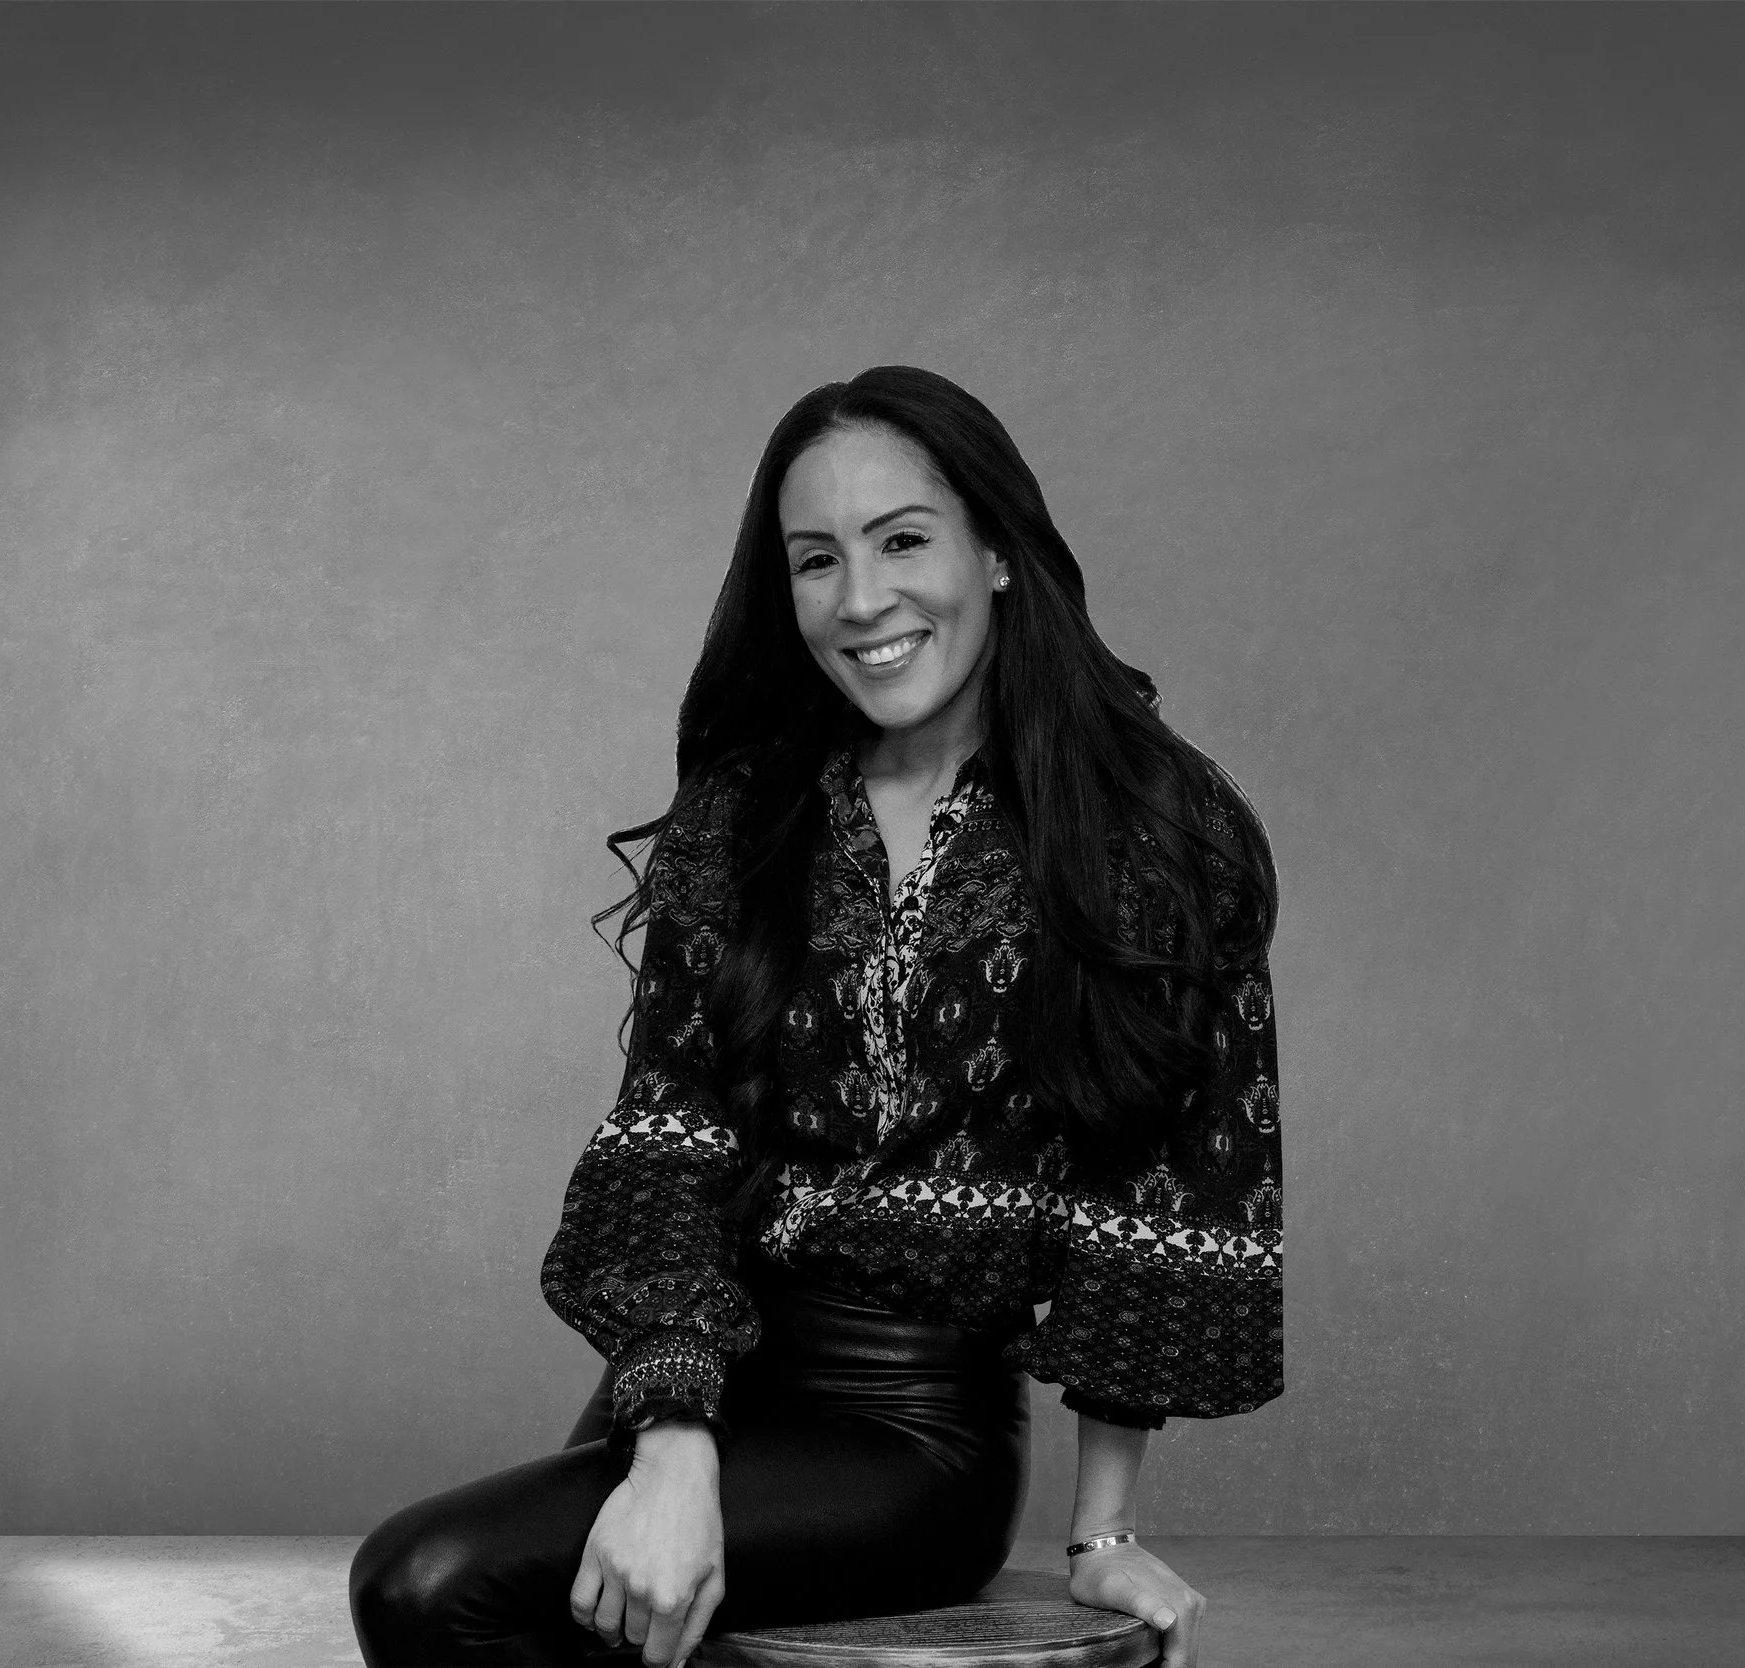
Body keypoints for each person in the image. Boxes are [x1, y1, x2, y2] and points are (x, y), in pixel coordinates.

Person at [350, 366, 1283, 1668]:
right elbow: (669, 1135)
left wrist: (1104, 1535)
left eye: (902, 541)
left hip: (911, 1429)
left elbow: (1166, 1187)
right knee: (544, 1618)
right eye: (816, 560)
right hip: (695, 1376)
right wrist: (673, 1443)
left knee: (426, 1585)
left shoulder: (1155, 828)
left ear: (998, 552)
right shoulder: (748, 812)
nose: (860, 601)